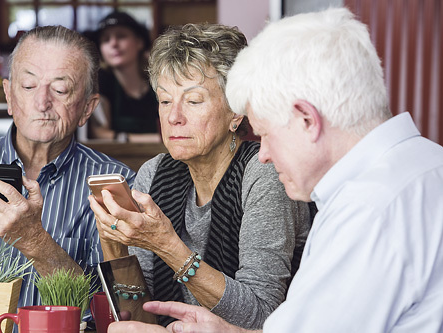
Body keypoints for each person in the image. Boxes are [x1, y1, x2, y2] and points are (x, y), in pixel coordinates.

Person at [105, 7, 443, 333]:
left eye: (265, 132)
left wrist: (168, 247)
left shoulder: (369, 209)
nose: (263, 152)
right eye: (165, 101)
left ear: (307, 119)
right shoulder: (418, 169)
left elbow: (272, 315)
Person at [89, 23, 311, 330]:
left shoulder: (264, 172)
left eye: (193, 101)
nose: (173, 116)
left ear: (236, 112)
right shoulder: (154, 173)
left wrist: (168, 245)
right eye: (165, 100)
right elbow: (139, 310)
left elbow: (261, 314)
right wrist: (112, 241)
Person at [0, 26, 135, 311]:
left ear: (87, 108)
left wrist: (37, 243)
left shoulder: (113, 185)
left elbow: (114, 311)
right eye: (29, 86)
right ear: (8, 96)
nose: (42, 102)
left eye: (60, 89)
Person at [88, 11, 159, 142]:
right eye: (106, 40)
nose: (113, 44)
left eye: (121, 36)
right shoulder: (99, 83)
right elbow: (100, 134)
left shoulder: (158, 82)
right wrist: (155, 139)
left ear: (139, 42)